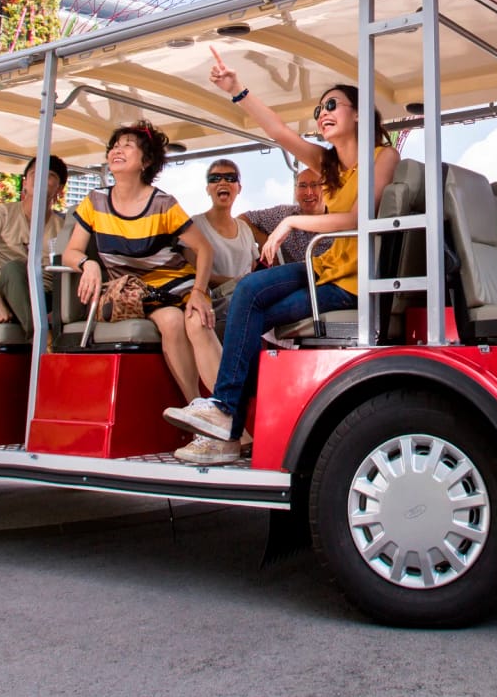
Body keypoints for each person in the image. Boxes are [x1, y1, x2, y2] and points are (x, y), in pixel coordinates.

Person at [165, 56, 399, 465]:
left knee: (256, 314)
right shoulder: (328, 163)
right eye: (318, 110)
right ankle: (226, 418)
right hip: (325, 272)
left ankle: (227, 423)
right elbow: (277, 131)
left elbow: (362, 217)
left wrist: (292, 220)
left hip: (352, 284)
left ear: (359, 112)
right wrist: (236, 89)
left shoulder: (382, 157)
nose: (322, 114)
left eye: (331, 105)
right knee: (249, 291)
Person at [63, 122, 218, 408]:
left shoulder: (163, 203)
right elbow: (70, 252)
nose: (117, 150)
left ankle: (227, 414)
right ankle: (197, 411)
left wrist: (199, 291)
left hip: (179, 284)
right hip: (136, 293)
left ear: (146, 161)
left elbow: (204, 249)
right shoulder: (95, 201)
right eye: (115, 146)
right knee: (171, 320)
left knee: (197, 321)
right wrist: (89, 264)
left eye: (127, 145)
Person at [0, 154, 69, 333]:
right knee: (15, 269)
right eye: (34, 173)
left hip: (46, 296)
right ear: (25, 182)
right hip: (6, 293)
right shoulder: (1, 213)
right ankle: (42, 338)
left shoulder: (63, 227)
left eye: (49, 176)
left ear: (59, 189)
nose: (39, 178)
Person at [192, 159, 258, 314]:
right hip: (214, 303)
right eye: (214, 178)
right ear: (208, 189)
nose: (222, 182)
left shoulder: (244, 228)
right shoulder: (195, 225)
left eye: (230, 178)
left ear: (239, 188)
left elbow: (254, 269)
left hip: (248, 299)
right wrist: (235, 283)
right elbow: (192, 272)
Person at [239, 166, 325, 264]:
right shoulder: (283, 214)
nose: (308, 192)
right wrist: (263, 240)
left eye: (314, 185)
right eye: (302, 186)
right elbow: (242, 219)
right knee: (248, 279)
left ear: (325, 189)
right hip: (293, 276)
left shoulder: (339, 216)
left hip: (332, 273)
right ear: (296, 191)